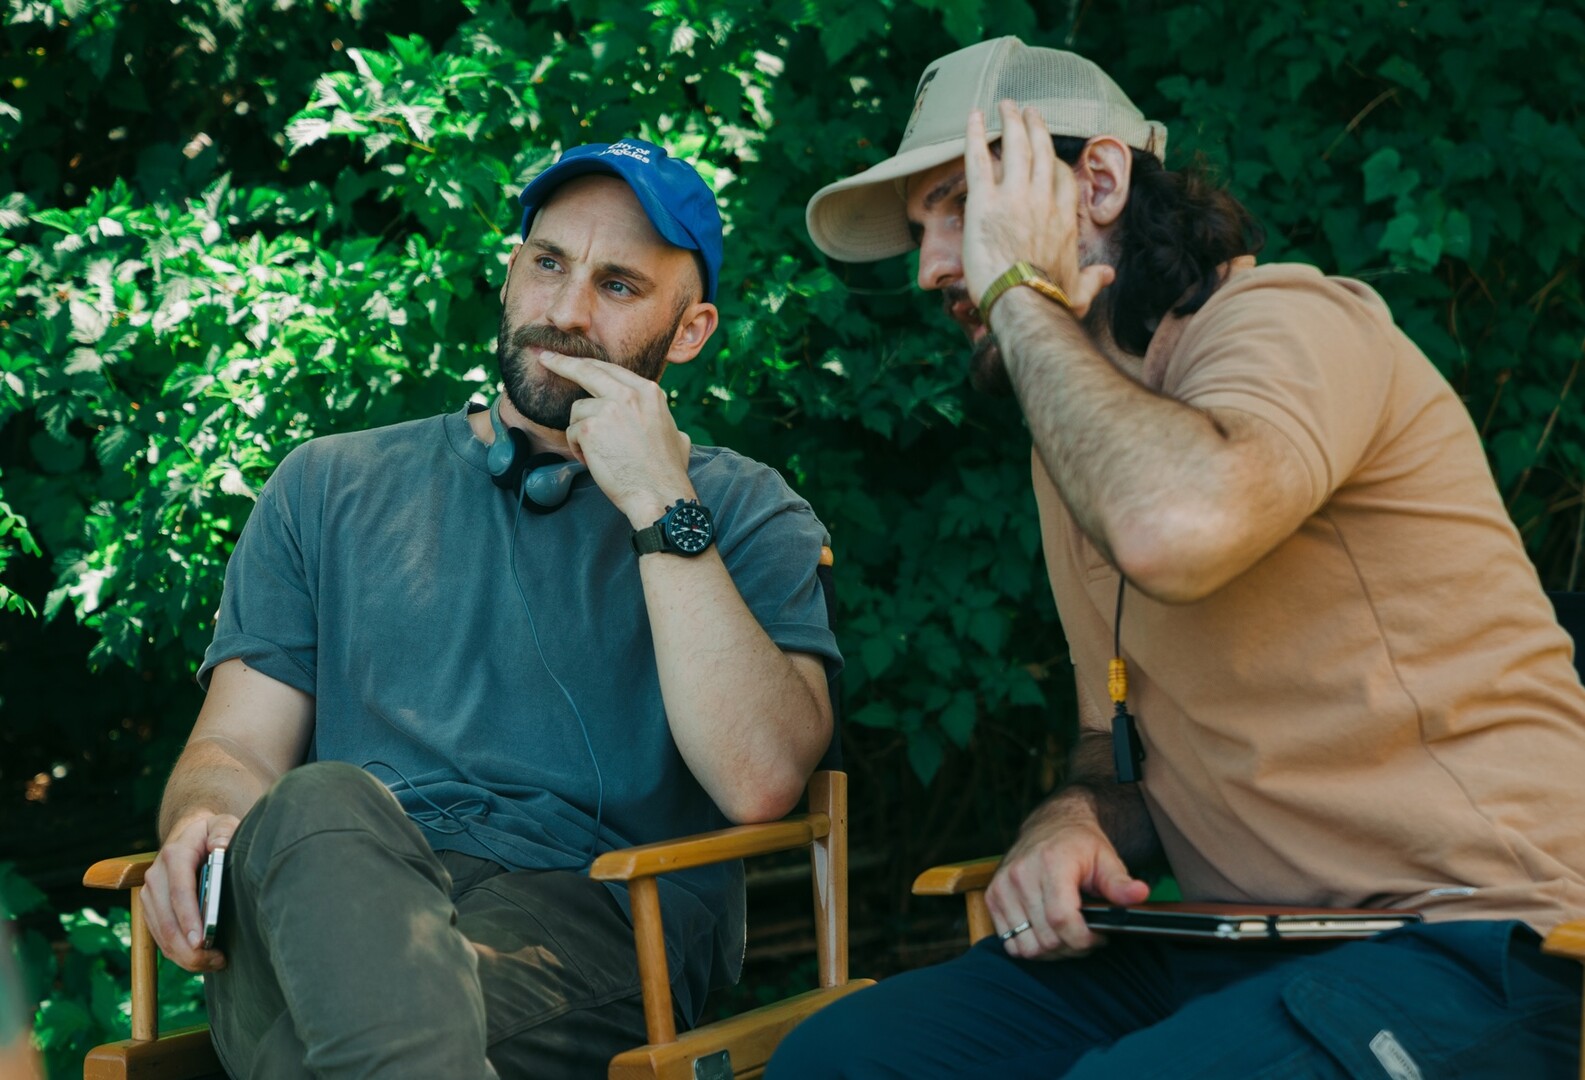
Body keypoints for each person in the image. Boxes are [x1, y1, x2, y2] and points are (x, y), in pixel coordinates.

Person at [774, 36, 1585, 1077]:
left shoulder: (1289, 320)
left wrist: (1018, 287)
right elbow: (1115, 747)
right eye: (923, 232)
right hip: (1228, 941)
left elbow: (1178, 527)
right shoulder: (1068, 435)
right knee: (841, 1060)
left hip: (1483, 940)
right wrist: (1069, 818)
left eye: (963, 206)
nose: (935, 266)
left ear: (1100, 180)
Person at [138, 137, 841, 1078]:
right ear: (511, 274)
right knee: (322, 798)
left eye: (619, 285)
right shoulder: (329, 483)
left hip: (583, 916)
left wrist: (660, 507)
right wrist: (206, 821)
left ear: (688, 331)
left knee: (333, 1049)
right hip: (332, 893)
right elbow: (235, 749)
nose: (565, 310)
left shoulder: (742, 509)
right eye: (547, 264)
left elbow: (760, 780)